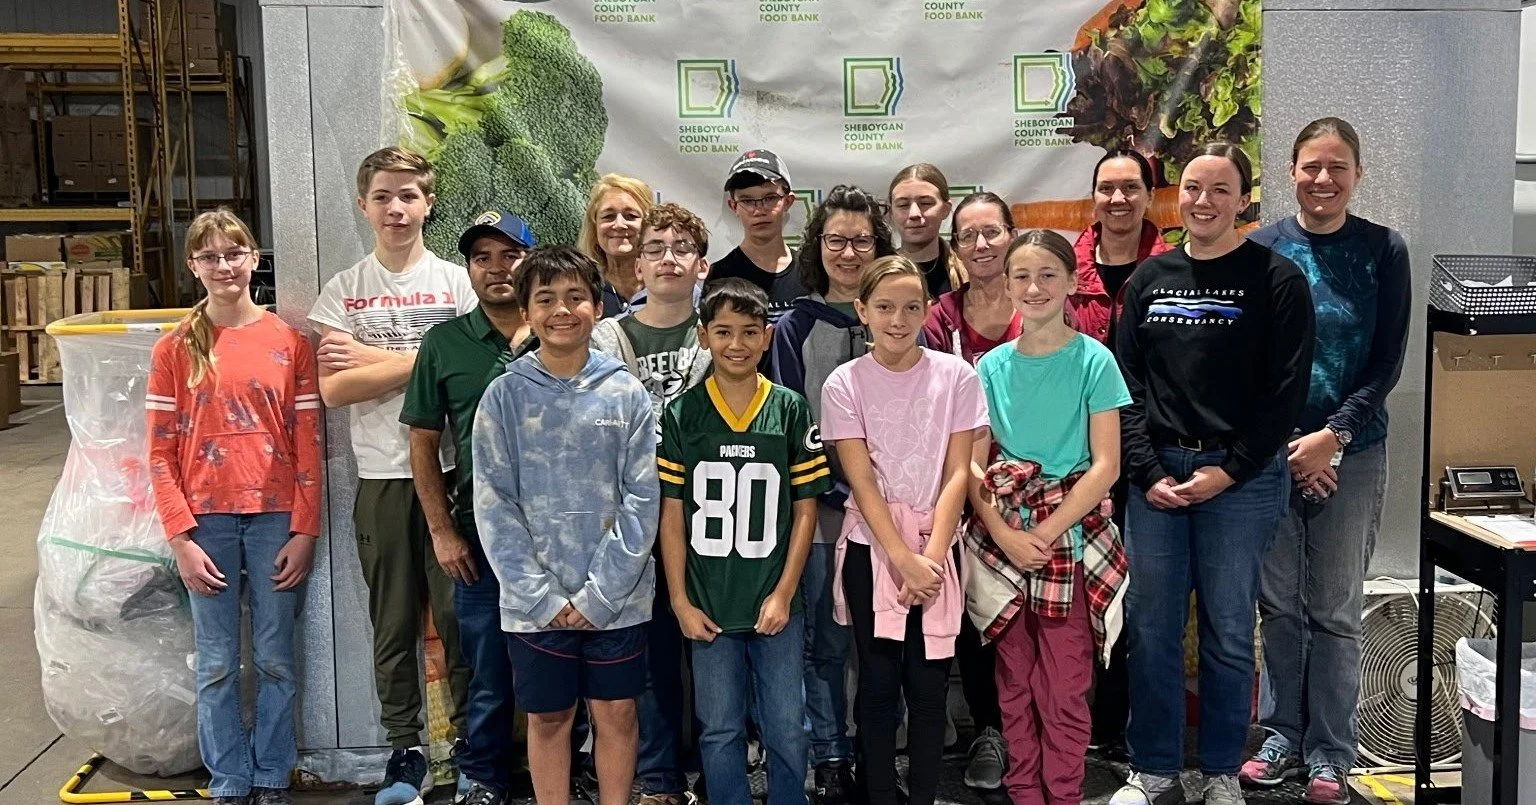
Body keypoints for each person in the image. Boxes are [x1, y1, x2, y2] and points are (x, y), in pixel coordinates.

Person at [1109, 144, 1315, 805]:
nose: (1204, 200)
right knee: (1151, 628)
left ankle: (1224, 770)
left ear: (1244, 201)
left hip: (1242, 481)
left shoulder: (1277, 280)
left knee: (1228, 629)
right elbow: (1124, 384)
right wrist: (1147, 471)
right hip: (1157, 478)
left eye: (1220, 189)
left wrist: (1229, 471)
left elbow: (1285, 393)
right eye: (1193, 188)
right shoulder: (1149, 279)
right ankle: (1155, 769)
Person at [1242, 118, 1411, 805]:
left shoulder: (1383, 250)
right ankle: (1282, 734)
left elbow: (1387, 360)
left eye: (1337, 167)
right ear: (1291, 171)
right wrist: (1293, 444)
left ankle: (1331, 753)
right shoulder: (1260, 248)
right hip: (1273, 455)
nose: (1323, 179)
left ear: (1357, 175)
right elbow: (1251, 361)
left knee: (1336, 610)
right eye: (1311, 165)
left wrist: (1333, 437)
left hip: (1355, 451)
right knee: (1279, 605)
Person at [307, 146, 474, 805]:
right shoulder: (343, 290)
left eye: (408, 195)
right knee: (394, 622)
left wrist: (375, 359)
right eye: (383, 196)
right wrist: (430, 354)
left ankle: (468, 750)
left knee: (460, 621)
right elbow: (335, 390)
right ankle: (405, 750)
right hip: (380, 478)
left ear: (429, 203)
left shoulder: (458, 286)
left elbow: (464, 375)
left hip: (452, 475)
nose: (396, 208)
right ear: (363, 205)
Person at [473, 245, 659, 805]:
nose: (562, 310)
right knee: (549, 718)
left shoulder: (626, 392)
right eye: (546, 298)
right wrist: (540, 594)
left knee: (617, 714)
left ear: (597, 307)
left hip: (618, 599)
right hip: (535, 603)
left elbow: (642, 497)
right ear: (526, 311)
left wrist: (602, 592)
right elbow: (494, 502)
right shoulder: (503, 395)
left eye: (576, 297)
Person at [149, 209, 321, 805]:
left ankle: (271, 773)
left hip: (276, 521)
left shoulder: (289, 343)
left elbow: (308, 442)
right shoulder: (175, 348)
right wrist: (180, 538)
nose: (223, 266)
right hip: (206, 525)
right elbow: (159, 451)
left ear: (254, 259)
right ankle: (228, 779)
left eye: (234, 253)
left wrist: (304, 529)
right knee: (217, 662)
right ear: (193, 266)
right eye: (209, 256)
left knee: (275, 657)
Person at [967, 229, 1131, 805]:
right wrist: (1005, 533)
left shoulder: (1095, 360)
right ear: (1006, 283)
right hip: (1005, 536)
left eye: (1047, 276)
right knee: (1013, 679)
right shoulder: (989, 367)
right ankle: (1024, 792)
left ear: (1071, 282)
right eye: (1022, 276)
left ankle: (1062, 794)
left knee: (1064, 683)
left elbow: (1106, 464)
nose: (1034, 288)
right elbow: (973, 464)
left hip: (1071, 535)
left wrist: (1043, 531)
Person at [658, 279, 830, 805]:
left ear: (766, 336)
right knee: (718, 727)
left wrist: (784, 593)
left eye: (749, 332)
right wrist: (680, 599)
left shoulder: (790, 409)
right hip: (708, 600)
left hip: (774, 598)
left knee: (786, 723)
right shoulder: (682, 413)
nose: (736, 344)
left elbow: (805, 509)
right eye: (723, 332)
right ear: (703, 336)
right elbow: (671, 514)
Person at [820, 255, 985, 805]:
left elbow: (958, 471)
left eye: (912, 307)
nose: (898, 319)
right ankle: (880, 794)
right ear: (862, 310)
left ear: (927, 309)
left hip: (937, 547)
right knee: (877, 682)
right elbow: (860, 478)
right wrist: (901, 559)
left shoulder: (956, 376)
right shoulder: (845, 383)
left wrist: (930, 559)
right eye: (885, 307)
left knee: (929, 686)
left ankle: (922, 796)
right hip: (873, 548)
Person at [400, 209, 537, 805]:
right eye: (482, 258)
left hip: (559, 536)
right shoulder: (444, 343)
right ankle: (483, 775)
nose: (496, 268)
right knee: (486, 664)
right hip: (480, 536)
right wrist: (441, 531)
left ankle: (559, 773)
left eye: (510, 255)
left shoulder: (563, 332)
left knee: (562, 661)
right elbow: (423, 442)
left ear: (532, 261)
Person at [768, 184, 896, 805]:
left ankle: (881, 753)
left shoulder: (897, 319)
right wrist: (843, 492)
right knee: (825, 643)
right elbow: (795, 428)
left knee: (884, 643)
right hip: (822, 514)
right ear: (817, 246)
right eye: (836, 241)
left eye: (862, 241)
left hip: (893, 518)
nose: (849, 253)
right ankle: (831, 755)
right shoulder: (794, 328)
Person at [592, 203, 715, 805]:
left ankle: (723, 770)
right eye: (655, 248)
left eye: (681, 248)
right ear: (636, 265)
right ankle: (659, 778)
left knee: (716, 647)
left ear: (702, 265)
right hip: (634, 516)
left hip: (708, 514)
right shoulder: (607, 337)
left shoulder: (721, 332)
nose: (668, 258)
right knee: (650, 653)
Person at [1071, 149, 1171, 759]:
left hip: (1150, 459)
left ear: (1149, 196)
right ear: (1093, 196)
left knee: (1141, 600)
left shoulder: (1175, 267)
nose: (1118, 199)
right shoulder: (1065, 270)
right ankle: (1088, 722)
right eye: (1107, 188)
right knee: (1083, 595)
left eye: (1130, 187)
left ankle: (1133, 728)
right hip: (1076, 461)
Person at [919, 191, 1020, 790]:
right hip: (962, 489)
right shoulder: (939, 318)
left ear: (1012, 234)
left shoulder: (1041, 303)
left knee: (1035, 623)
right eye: (967, 236)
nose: (981, 245)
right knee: (975, 619)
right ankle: (990, 729)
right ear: (954, 246)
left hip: (1041, 494)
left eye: (992, 232)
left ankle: (1042, 733)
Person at [706, 149, 806, 322]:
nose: (759, 210)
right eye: (747, 201)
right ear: (733, 206)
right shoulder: (720, 275)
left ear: (788, 201)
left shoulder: (811, 272)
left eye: (770, 198)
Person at [578, 173, 654, 317]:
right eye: (608, 216)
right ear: (594, 226)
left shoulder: (669, 285)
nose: (619, 224)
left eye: (631, 216)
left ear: (648, 225)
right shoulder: (582, 290)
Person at [889, 163, 965, 299]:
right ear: (891, 213)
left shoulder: (968, 272)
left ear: (946, 209)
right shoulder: (877, 274)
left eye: (925, 203)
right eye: (903, 205)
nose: (914, 214)